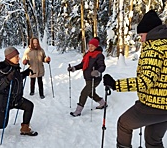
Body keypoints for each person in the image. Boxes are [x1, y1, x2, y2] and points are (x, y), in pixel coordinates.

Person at [103, 10, 167, 148]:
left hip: (155, 104)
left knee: (124, 124)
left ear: (150, 32)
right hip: (163, 106)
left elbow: (145, 81)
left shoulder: (154, 48)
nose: (142, 40)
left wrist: (115, 85)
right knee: (153, 140)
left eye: (142, 35)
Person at [68, 38, 106, 117]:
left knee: (84, 93)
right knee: (91, 93)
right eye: (89, 46)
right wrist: (74, 68)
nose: (90, 47)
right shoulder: (87, 54)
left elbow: (102, 66)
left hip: (94, 78)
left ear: (96, 46)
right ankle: (103, 103)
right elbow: (82, 64)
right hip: (88, 78)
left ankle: (78, 111)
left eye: (92, 46)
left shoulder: (99, 55)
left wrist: (98, 72)